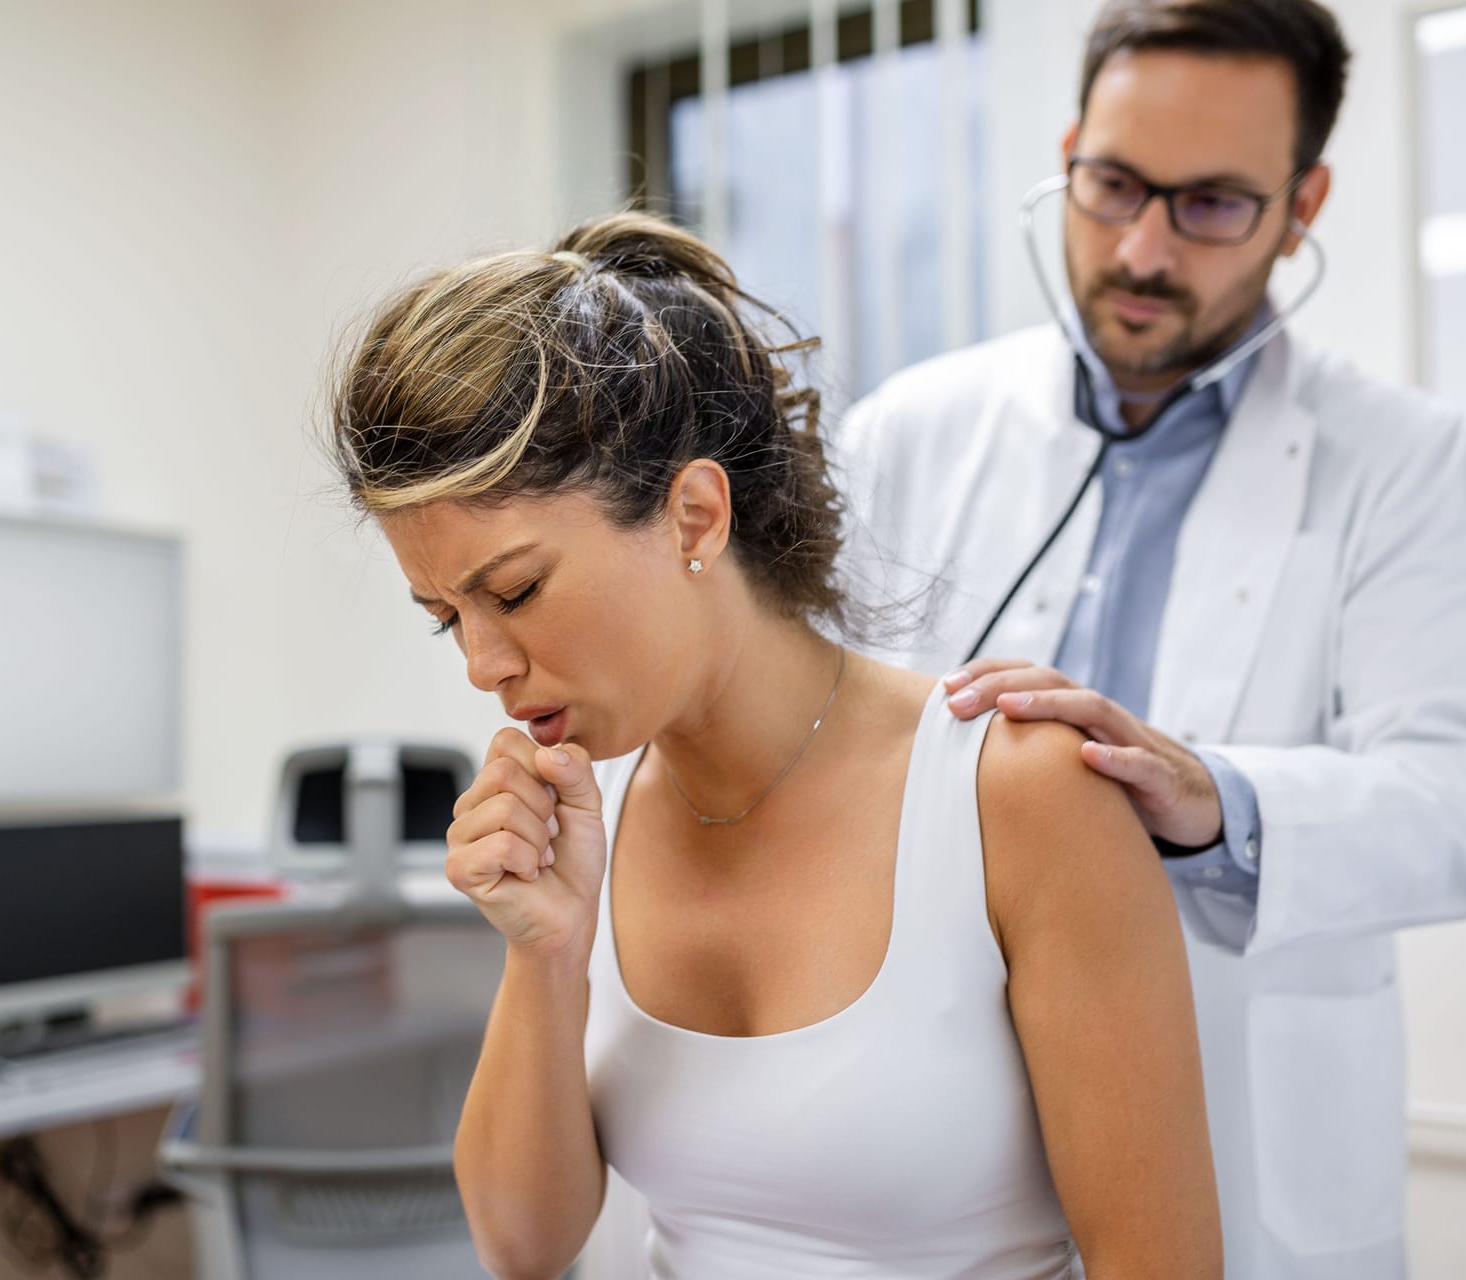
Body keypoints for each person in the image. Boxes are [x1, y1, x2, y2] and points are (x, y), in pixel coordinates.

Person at [327, 213, 1221, 1278]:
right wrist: (546, 950)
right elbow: (522, 1244)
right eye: (445, 614)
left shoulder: (1016, 793)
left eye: (515, 591)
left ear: (697, 516)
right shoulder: (585, 816)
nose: (481, 663)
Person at [833, 2, 1466, 1276]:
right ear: (1070, 150)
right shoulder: (911, 431)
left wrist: (1219, 797)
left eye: (1212, 204)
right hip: (935, 1127)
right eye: (1112, 186)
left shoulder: (1400, 458)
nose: (1144, 247)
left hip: (1245, 1132)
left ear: (1302, 202)